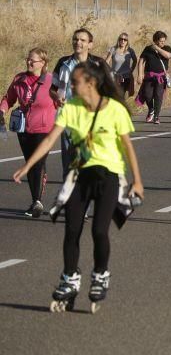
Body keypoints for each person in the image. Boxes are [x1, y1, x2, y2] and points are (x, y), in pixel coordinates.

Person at [14, 58, 143, 311]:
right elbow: (51, 139)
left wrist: (137, 181)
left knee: (98, 231)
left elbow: (127, 146)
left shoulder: (115, 109)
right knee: (71, 229)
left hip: (108, 176)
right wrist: (28, 166)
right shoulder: (71, 107)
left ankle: (100, 274)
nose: (70, 87)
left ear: (91, 83)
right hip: (79, 176)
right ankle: (70, 277)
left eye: (75, 82)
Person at [1, 48, 56, 217]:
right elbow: (8, 98)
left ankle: (37, 202)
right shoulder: (19, 79)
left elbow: (62, 100)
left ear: (43, 63)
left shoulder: (51, 80)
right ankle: (35, 201)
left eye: (33, 60)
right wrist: (2, 111)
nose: (29, 62)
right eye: (28, 59)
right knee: (30, 164)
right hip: (24, 129)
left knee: (37, 162)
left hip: (44, 129)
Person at [50, 29, 105, 177]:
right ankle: (70, 195)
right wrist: (56, 97)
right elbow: (52, 89)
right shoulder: (63, 62)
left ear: (90, 45)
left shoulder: (99, 64)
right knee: (69, 163)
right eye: (75, 39)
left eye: (82, 40)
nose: (78, 43)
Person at [135, 30, 171, 124]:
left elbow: (168, 56)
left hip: (160, 77)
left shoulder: (167, 48)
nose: (163, 43)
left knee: (158, 96)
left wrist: (157, 48)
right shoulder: (148, 49)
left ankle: (156, 116)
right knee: (147, 95)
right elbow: (141, 61)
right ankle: (151, 109)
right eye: (161, 41)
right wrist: (140, 74)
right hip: (149, 76)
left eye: (164, 41)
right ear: (155, 40)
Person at [105, 33, 137, 97]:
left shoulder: (130, 50)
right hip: (115, 77)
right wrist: (109, 72)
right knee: (113, 95)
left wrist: (131, 70)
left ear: (127, 41)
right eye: (121, 39)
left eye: (125, 40)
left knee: (121, 95)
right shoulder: (113, 49)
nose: (123, 41)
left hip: (126, 77)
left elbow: (135, 60)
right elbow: (106, 61)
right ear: (118, 40)